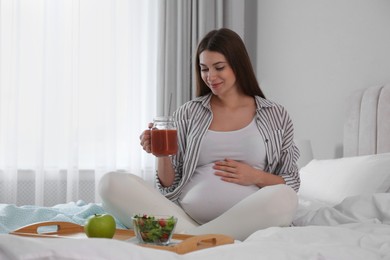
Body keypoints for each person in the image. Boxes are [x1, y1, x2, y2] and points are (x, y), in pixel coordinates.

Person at [99, 28, 300, 241]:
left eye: (219, 67)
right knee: (110, 183)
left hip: (249, 217)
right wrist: (161, 154)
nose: (210, 77)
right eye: (204, 69)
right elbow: (170, 185)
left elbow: (292, 181)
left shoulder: (275, 114)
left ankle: (189, 238)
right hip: (185, 217)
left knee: (285, 197)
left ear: (238, 65)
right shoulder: (189, 112)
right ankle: (202, 238)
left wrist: (255, 176)